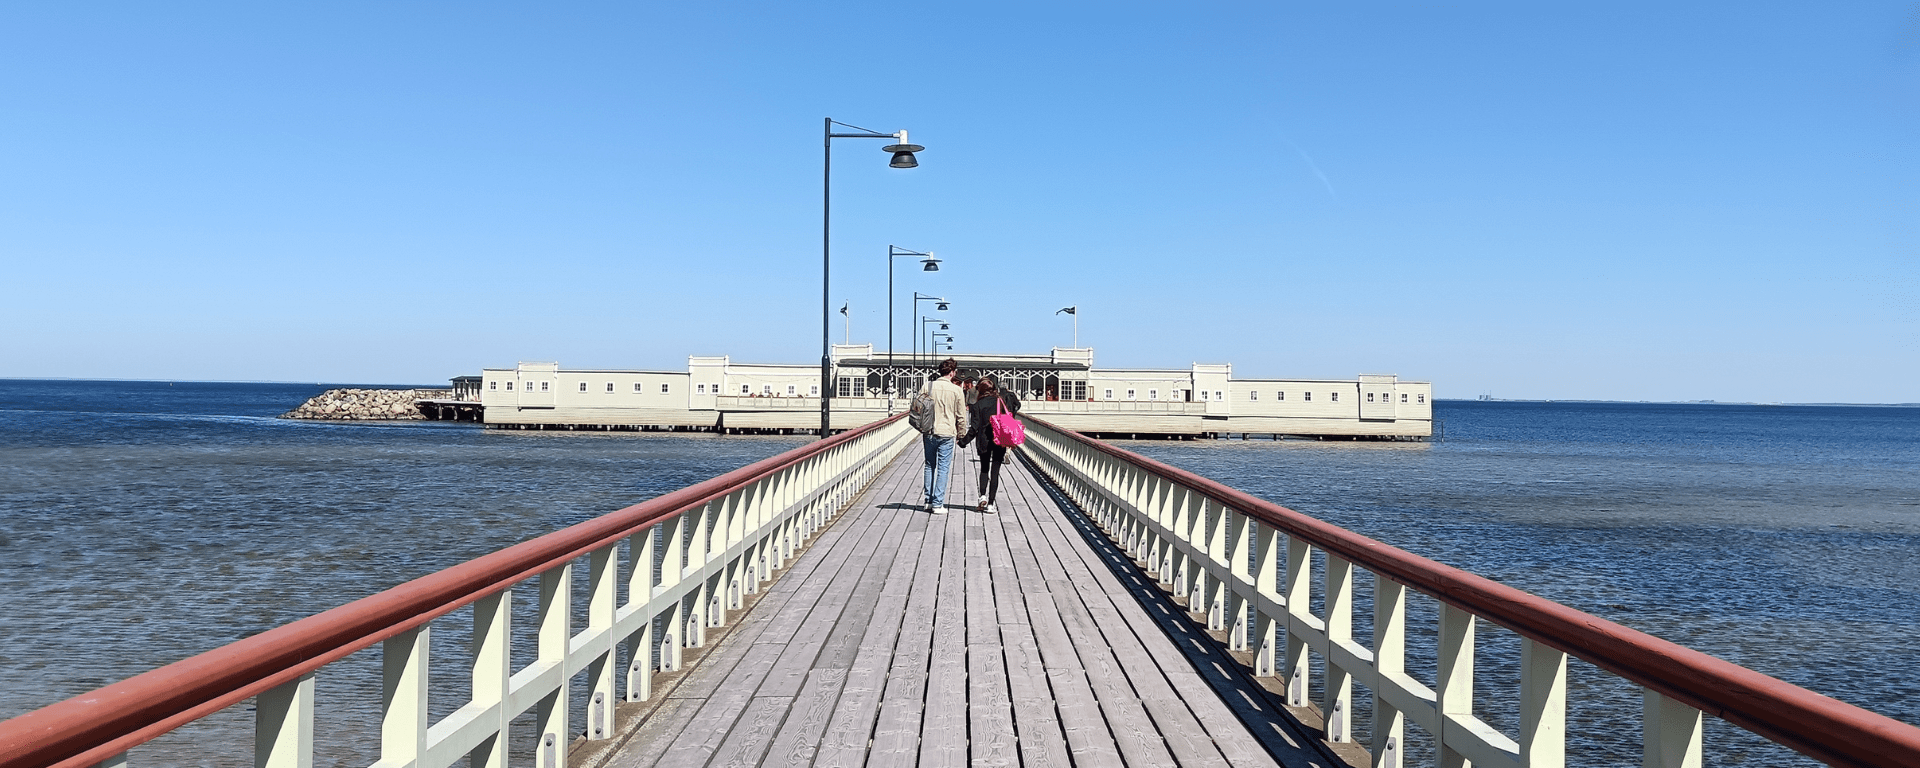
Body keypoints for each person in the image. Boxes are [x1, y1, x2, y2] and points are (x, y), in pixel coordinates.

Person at [960, 374, 1020, 514]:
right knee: (995, 471)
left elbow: (974, 428)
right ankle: (991, 504)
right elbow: (1007, 420)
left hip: (983, 440)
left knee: (984, 469)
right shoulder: (1001, 402)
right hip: (1000, 439)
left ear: (979, 390)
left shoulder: (976, 406)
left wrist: (963, 441)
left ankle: (982, 496)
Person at [920, 358, 969, 514]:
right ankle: (938, 503)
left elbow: (917, 408)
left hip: (929, 431)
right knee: (943, 468)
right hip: (947, 433)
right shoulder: (956, 390)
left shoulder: (927, 386)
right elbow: (961, 416)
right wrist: (961, 435)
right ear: (953, 372)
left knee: (929, 465)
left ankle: (928, 500)